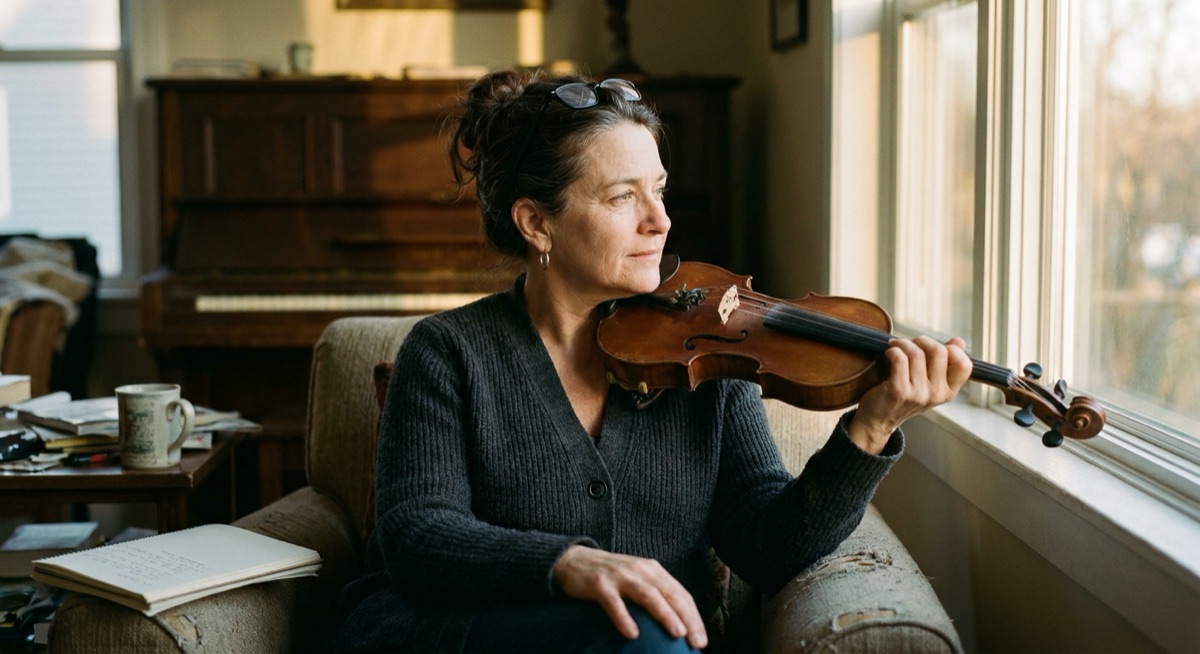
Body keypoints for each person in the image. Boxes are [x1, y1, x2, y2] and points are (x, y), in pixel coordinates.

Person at [328, 69, 972, 653]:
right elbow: (418, 537)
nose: (660, 221)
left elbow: (770, 550)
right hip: (455, 636)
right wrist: (570, 564)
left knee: (650, 636)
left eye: (659, 190)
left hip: (646, 644)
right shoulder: (448, 351)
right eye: (621, 197)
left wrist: (872, 426)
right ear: (536, 223)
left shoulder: (709, 353)